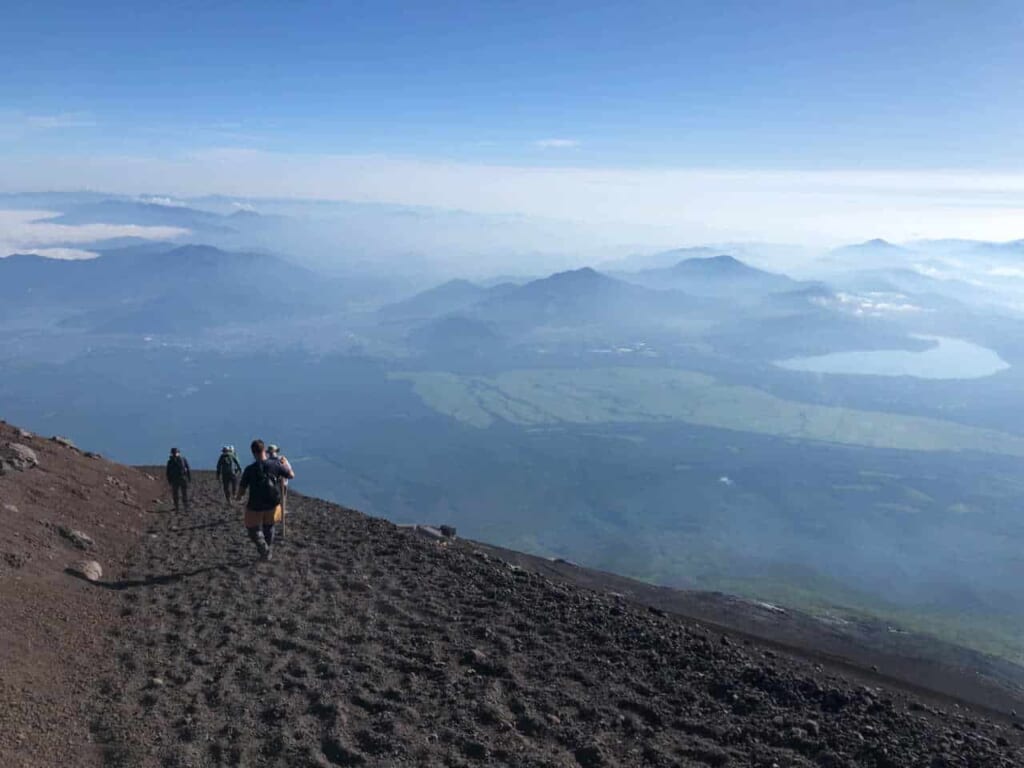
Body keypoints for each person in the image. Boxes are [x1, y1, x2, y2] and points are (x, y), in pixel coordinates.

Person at [237, 439, 294, 560]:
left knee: (253, 529)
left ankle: (264, 548)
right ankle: (267, 549)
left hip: (255, 505)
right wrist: (283, 465)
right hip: (272, 503)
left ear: (253, 452)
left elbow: (242, 488)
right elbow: (291, 475)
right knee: (269, 526)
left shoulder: (249, 469)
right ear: (264, 450)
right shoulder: (276, 464)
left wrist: (238, 497)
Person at [165, 447, 192, 513]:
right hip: (178, 479)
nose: (175, 454)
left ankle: (183, 507)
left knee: (182, 494)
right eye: (174, 453)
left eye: (175, 453)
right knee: (177, 494)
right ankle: (179, 507)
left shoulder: (179, 460)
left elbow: (188, 469)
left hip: (180, 479)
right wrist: (189, 478)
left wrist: (189, 477)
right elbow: (168, 472)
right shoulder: (172, 461)